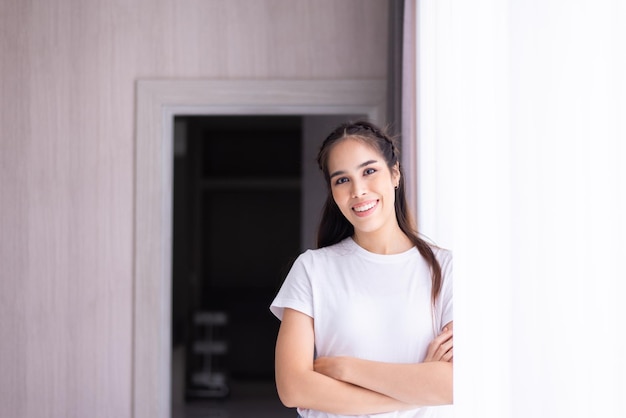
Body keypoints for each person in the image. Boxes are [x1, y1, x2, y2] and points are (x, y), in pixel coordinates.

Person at [270, 121, 453, 417]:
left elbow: (452, 384)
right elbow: (294, 388)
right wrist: (417, 392)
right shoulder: (312, 269)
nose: (358, 190)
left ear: (395, 174)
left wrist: (345, 368)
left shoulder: (445, 270)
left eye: (369, 171)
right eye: (342, 180)